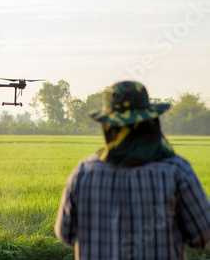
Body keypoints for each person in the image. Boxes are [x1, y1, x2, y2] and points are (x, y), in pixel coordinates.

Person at [54, 80, 210, 260]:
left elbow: (65, 234)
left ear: (109, 127)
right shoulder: (176, 171)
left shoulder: (84, 172)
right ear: (150, 123)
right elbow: (202, 236)